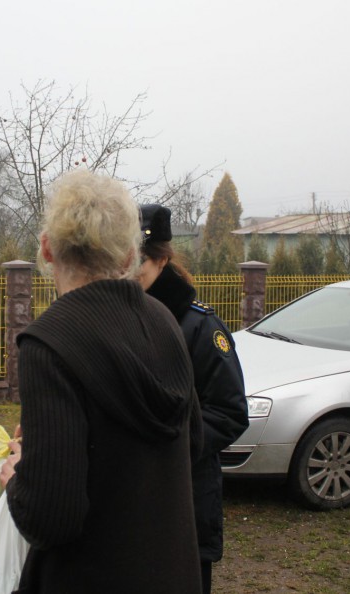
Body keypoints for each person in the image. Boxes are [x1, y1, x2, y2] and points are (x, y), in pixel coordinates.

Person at [0, 170, 204, 594]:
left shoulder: (49, 343)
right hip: (173, 572)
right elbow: (193, 444)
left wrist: (19, 473)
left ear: (47, 248)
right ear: (130, 254)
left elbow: (51, 518)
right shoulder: (164, 320)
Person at [138, 203, 249, 594]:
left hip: (185, 497)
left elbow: (231, 412)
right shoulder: (124, 319)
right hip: (132, 503)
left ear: (162, 259)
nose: (131, 274)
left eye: (141, 264)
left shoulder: (200, 327)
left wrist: (171, 447)